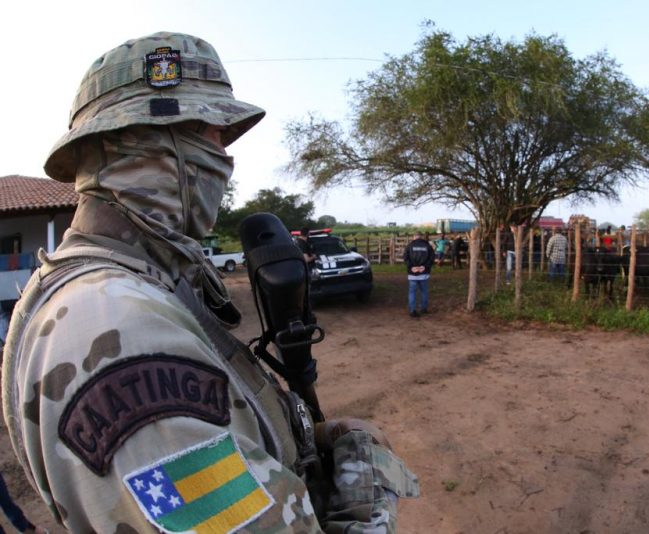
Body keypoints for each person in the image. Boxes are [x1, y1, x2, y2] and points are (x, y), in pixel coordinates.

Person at [2, 32, 417, 533]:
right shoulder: (118, 326)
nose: (223, 156)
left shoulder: (136, 284)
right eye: (212, 135)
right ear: (149, 142)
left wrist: (300, 439)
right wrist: (365, 495)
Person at [403, 231, 434, 317]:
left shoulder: (409, 246)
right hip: (424, 274)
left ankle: (412, 310)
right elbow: (432, 258)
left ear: (414, 236)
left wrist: (412, 267)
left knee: (412, 292)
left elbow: (405, 258)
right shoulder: (427, 245)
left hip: (412, 274)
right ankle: (424, 309)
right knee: (424, 292)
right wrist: (424, 267)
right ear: (421, 237)